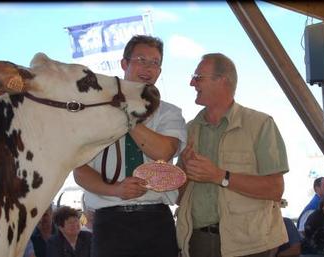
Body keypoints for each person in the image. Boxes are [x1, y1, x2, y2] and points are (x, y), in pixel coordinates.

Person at [73, 35, 187, 257]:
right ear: (124, 64)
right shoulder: (94, 114)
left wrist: (126, 112)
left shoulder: (169, 112)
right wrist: (115, 189)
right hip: (110, 223)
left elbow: (163, 151)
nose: (148, 67)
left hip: (156, 220)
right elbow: (80, 171)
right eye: (141, 59)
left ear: (160, 71)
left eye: (155, 62)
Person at [176, 53, 289, 257]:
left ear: (222, 81)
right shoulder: (188, 130)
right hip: (197, 243)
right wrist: (184, 175)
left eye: (198, 77)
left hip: (249, 246)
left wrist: (220, 176)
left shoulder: (261, 125)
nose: (191, 82)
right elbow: (178, 197)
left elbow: (275, 189)